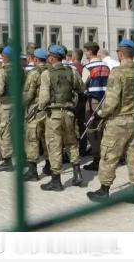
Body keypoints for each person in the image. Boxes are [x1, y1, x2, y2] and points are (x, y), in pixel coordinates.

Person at [87, 39, 134, 202]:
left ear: (121, 54)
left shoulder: (117, 72)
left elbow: (111, 102)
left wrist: (100, 114)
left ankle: (104, 190)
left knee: (109, 156)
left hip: (119, 121)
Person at [38, 44, 85, 191]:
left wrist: (40, 107)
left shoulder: (46, 74)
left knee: (54, 145)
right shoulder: (72, 71)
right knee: (72, 143)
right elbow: (82, 88)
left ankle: (56, 181)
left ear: (52, 58)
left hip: (54, 114)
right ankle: (77, 173)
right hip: (69, 113)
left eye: (49, 56)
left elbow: (44, 99)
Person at [0, 46, 24, 171]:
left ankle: (7, 161)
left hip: (6, 105)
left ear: (5, 57)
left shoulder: (3, 71)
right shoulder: (20, 70)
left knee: (5, 132)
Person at [80, 41, 110, 172]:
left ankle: (97, 159)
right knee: (103, 130)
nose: (85, 53)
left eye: (85, 51)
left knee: (92, 131)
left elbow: (82, 86)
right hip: (106, 101)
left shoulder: (88, 67)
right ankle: (105, 157)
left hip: (93, 102)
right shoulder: (106, 66)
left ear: (89, 51)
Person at [22, 47, 50, 180]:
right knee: (46, 139)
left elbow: (28, 95)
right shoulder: (51, 70)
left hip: (36, 110)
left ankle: (33, 171)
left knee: (32, 139)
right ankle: (49, 166)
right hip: (49, 110)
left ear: (36, 59)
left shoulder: (34, 73)